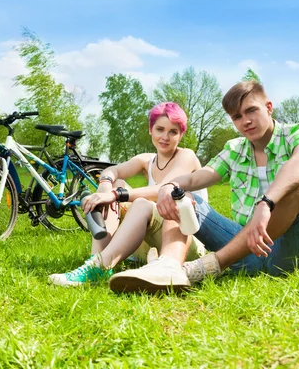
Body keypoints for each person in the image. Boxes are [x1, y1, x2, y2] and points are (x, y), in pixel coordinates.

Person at [108, 81, 299, 293]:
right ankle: (168, 267)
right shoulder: (235, 148)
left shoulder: (296, 134)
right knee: (182, 196)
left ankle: (203, 267)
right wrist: (169, 186)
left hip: (290, 253)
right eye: (237, 117)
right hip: (246, 249)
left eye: (251, 110)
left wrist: (266, 203)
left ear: (269, 107)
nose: (246, 121)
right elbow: (199, 177)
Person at [48, 102, 208, 286]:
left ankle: (98, 266)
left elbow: (164, 188)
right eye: (160, 129)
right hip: (149, 246)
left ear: (181, 135)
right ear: (150, 130)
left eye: (173, 131)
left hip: (183, 244)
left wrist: (116, 195)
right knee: (117, 183)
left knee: (140, 203)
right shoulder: (146, 160)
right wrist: (106, 185)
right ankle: (96, 261)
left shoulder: (186, 156)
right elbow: (113, 170)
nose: (165, 136)